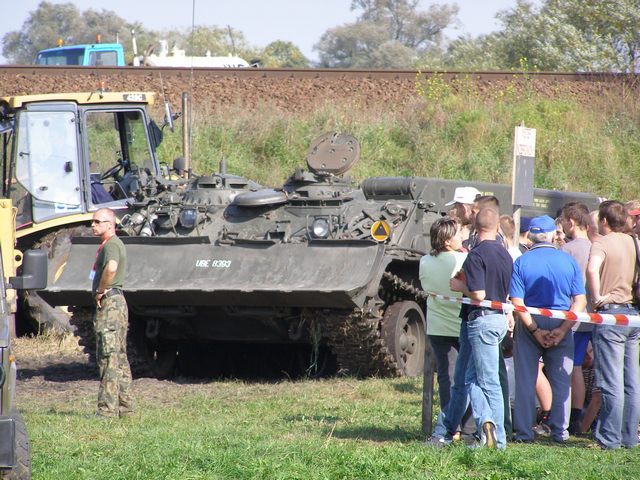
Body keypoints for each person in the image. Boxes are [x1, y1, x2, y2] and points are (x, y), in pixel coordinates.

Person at [430, 207, 512, 449]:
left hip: (481, 321)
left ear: (476, 228)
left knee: (486, 382)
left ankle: (496, 438)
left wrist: (460, 286)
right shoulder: (506, 254)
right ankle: (447, 430)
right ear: (497, 227)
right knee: (467, 379)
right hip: (493, 319)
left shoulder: (476, 255)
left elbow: (479, 294)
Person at [509, 214, 586, 443]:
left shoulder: (522, 262)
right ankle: (560, 431)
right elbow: (580, 300)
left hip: (529, 321)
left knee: (526, 379)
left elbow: (517, 301)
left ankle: (524, 432)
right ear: (553, 235)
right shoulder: (568, 261)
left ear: (530, 237)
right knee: (562, 380)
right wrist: (563, 329)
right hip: (562, 319)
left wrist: (534, 330)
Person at [586, 200, 640, 449]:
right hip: (632, 314)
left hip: (610, 314)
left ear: (604, 221)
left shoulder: (602, 242)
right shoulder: (633, 242)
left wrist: (597, 296)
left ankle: (609, 438)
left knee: (611, 380)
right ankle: (629, 437)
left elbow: (591, 269)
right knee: (632, 381)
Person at [419, 217, 475, 438]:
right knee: (468, 378)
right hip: (462, 325)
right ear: (447, 241)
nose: (462, 236)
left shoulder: (424, 261)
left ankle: (452, 427)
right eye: (458, 233)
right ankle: (469, 427)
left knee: (446, 378)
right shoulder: (464, 259)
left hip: (438, 326)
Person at [90, 208, 134, 418]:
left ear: (110, 224)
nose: (93, 225)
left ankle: (107, 410)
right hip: (116, 303)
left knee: (108, 357)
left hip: (110, 304)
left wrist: (101, 290)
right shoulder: (112, 244)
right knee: (119, 356)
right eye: (93, 221)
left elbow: (111, 268)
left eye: (98, 221)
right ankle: (126, 408)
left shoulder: (111, 245)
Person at [558, 201, 593, 434]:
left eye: (562, 220)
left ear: (571, 222)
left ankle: (561, 415)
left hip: (570, 317)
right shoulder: (595, 247)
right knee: (578, 367)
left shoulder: (567, 250)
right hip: (591, 317)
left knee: (565, 368)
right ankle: (577, 417)